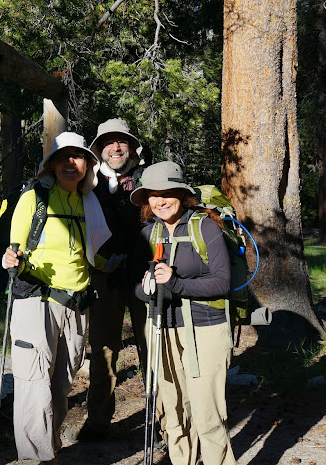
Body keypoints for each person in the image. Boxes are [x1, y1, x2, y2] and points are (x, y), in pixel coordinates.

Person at [2, 131, 115, 465]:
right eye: (63, 156)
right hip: (37, 300)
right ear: (51, 163)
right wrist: (12, 261)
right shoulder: (34, 198)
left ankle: (49, 450)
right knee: (34, 381)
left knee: (62, 384)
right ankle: (33, 459)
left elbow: (90, 252)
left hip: (76, 305)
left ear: (87, 165)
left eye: (77, 157)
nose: (70, 163)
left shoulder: (88, 201)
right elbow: (14, 249)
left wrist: (112, 264)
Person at [130, 161, 236, 465]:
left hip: (205, 329)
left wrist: (175, 284)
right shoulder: (149, 233)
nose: (160, 201)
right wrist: (147, 288)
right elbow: (135, 288)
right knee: (174, 414)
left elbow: (223, 282)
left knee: (208, 416)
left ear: (182, 194)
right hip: (162, 328)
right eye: (153, 195)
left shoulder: (205, 226)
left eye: (167, 193)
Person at [77, 118, 151, 440]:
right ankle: (98, 422)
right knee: (103, 350)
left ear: (132, 147)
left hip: (145, 275)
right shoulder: (87, 183)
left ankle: (163, 420)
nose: (116, 147)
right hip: (103, 276)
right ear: (99, 149)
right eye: (109, 142)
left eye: (122, 141)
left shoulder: (147, 179)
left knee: (152, 347)